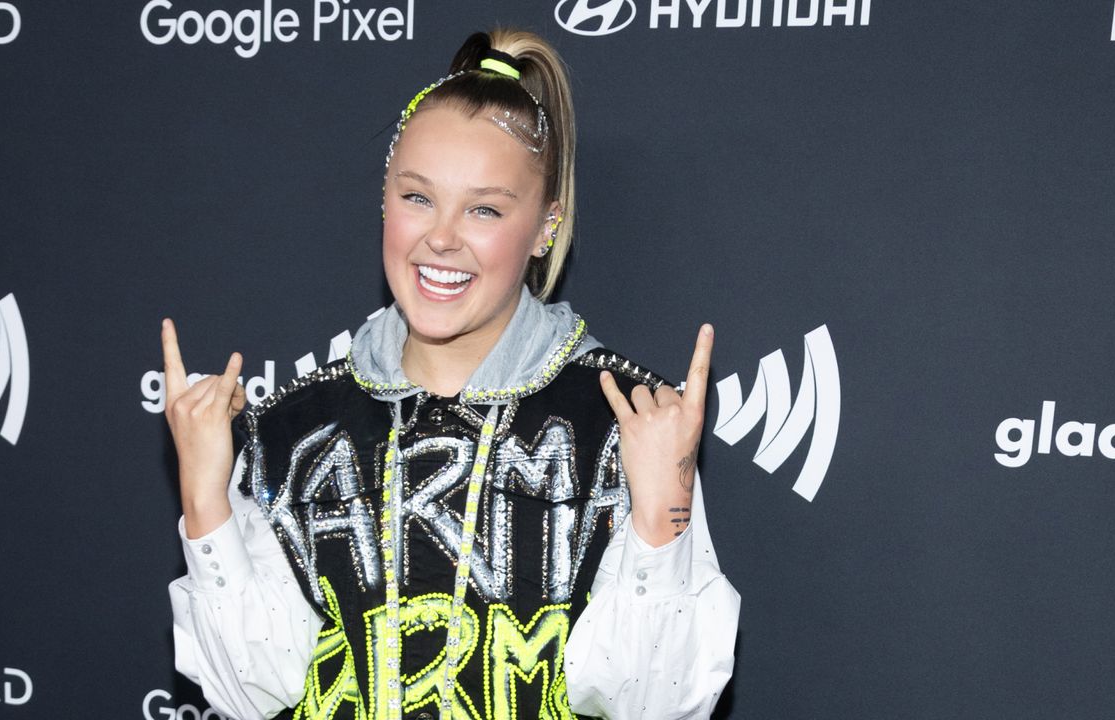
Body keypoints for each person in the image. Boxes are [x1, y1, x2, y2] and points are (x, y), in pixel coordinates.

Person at [162, 28, 739, 720]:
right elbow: (253, 692)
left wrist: (658, 522)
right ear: (385, 200)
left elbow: (655, 703)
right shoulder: (289, 429)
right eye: (417, 198)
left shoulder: (625, 421)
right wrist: (206, 500)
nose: (442, 237)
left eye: (485, 209)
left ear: (547, 225)